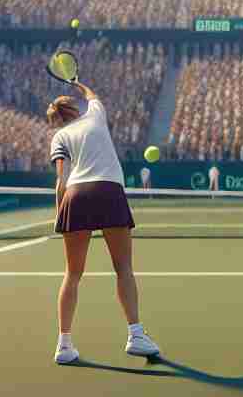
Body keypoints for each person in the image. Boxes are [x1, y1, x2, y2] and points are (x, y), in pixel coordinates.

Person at [47, 78, 159, 366]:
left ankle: (64, 344)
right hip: (108, 191)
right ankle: (136, 335)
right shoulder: (95, 114)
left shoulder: (59, 137)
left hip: (76, 196)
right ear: (75, 107)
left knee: (72, 274)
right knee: (123, 268)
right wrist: (77, 82)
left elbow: (61, 181)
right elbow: (93, 94)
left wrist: (60, 214)